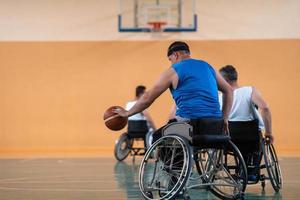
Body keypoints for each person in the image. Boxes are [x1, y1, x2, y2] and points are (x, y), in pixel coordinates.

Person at [115, 41, 233, 137]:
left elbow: (147, 98)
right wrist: (224, 118)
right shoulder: (207, 66)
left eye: (170, 60)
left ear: (175, 55)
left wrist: (127, 113)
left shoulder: (173, 70)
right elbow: (228, 90)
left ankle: (175, 166)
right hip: (215, 125)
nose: (171, 63)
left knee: (157, 137)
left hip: (189, 125)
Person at [219, 65, 273, 181]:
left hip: (228, 140)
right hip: (251, 137)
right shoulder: (249, 91)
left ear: (225, 81)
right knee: (257, 140)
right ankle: (251, 169)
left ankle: (243, 168)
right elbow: (265, 108)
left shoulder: (219, 97)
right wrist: (269, 132)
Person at [125, 85, 156, 150]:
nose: (146, 95)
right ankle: (151, 150)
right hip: (142, 130)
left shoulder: (128, 104)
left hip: (130, 130)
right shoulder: (140, 105)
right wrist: (155, 129)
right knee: (152, 131)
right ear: (140, 94)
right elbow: (149, 119)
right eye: (145, 93)